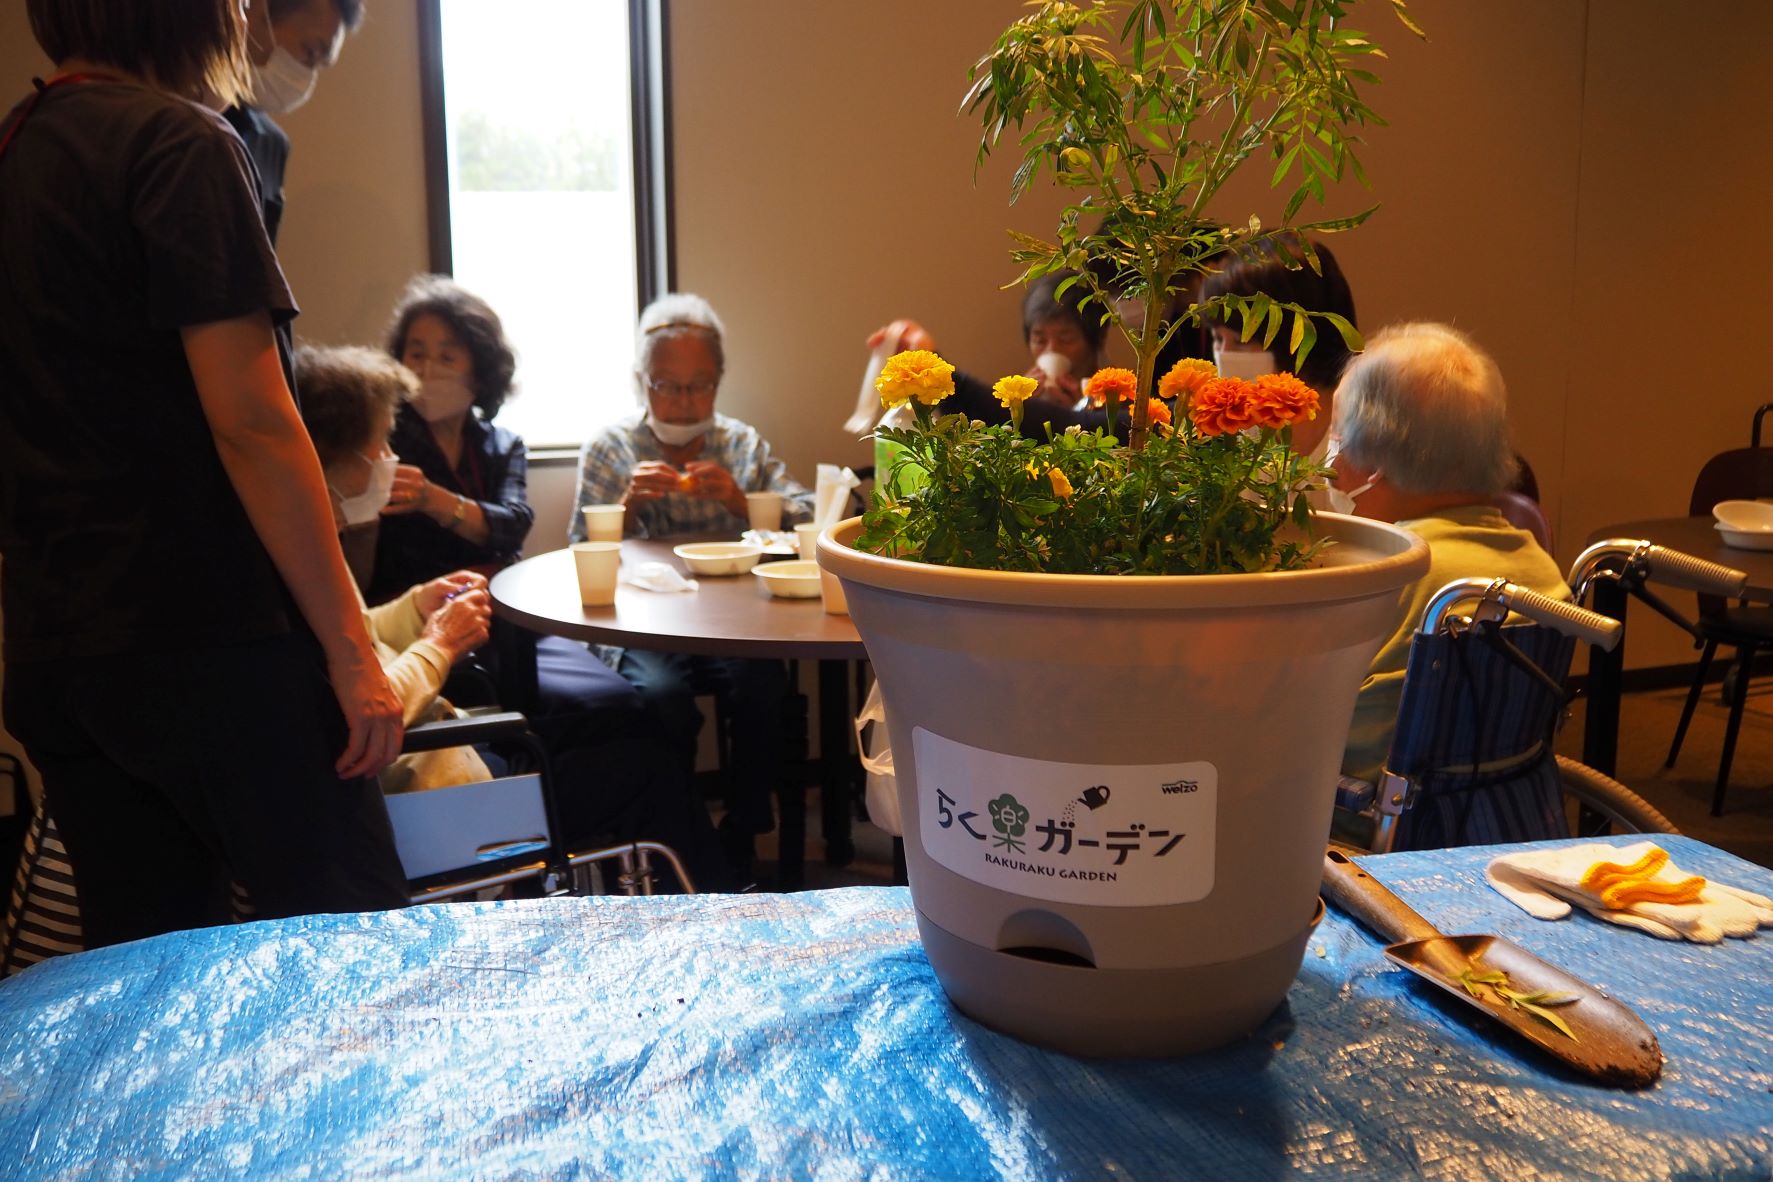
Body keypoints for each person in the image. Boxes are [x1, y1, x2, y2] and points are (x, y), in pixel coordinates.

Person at [0, 0, 409, 948]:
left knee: (152, 977)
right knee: (354, 959)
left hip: (63, 653)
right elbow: (257, 427)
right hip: (216, 647)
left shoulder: (16, 148)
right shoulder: (181, 145)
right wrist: (354, 653)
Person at [572, 293, 814, 878]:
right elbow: (577, 546)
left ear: (719, 382)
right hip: (644, 623)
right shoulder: (613, 447)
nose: (682, 402)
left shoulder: (741, 444)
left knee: (763, 686)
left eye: (698, 386)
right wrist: (625, 509)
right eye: (666, 385)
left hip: (734, 620)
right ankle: (679, 834)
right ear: (641, 382)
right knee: (659, 698)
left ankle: (746, 825)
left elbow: (810, 515)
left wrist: (742, 500)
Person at [1328, 323, 1569, 785]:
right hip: (1500, 812)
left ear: (1376, 463)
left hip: (1363, 828)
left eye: (1337, 441)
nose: (1331, 468)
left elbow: (1313, 732)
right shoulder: (1540, 567)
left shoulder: (1387, 580)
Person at [370, 274, 535, 603]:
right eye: (416, 355)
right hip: (404, 610)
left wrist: (433, 499)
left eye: (447, 358)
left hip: (492, 604)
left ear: (481, 371)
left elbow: (513, 526)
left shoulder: (503, 445)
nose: (428, 371)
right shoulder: (380, 439)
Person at [867, 271, 1113, 438]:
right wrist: (1019, 411)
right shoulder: (1010, 405)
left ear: (1095, 340)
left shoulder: (1120, 404)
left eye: (1066, 339)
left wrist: (1075, 413)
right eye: (1039, 339)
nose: (1051, 350)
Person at [1197, 233, 1358, 471]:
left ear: (1297, 335)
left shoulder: (1361, 431)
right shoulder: (1226, 431)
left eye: (1242, 340)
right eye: (1218, 339)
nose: (1225, 353)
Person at [227, 0, 364, 246]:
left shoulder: (271, 145)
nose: (307, 76)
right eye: (310, 52)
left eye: (319, 65)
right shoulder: (182, 119)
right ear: (258, 12)